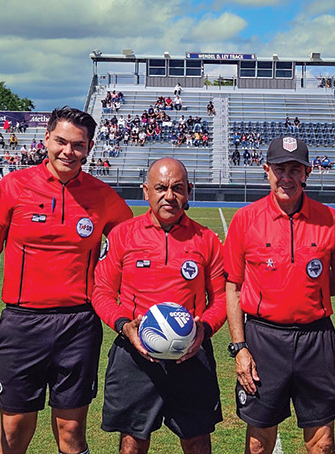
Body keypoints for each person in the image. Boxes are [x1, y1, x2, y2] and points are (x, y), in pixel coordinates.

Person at [0, 106, 133, 454]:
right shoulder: (14, 187)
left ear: (88, 149)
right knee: (13, 431)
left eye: (78, 145)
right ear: (46, 139)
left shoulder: (103, 197)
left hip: (78, 325)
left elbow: (129, 246)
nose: (67, 152)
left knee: (71, 431)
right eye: (61, 141)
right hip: (22, 323)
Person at [224, 136, 335, 454]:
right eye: (279, 168)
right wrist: (240, 348)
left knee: (323, 443)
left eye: (294, 169)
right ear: (266, 170)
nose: (287, 176)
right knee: (259, 444)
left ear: (307, 172)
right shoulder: (245, 219)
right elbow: (233, 287)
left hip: (316, 340)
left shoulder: (330, 220)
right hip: (263, 339)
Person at [93, 158, 227, 454]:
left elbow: (220, 300)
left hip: (192, 355)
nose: (170, 195)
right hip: (135, 354)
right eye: (161, 188)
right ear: (146, 192)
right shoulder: (122, 235)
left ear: (188, 191)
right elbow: (101, 292)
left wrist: (204, 329)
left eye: (178, 188)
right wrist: (123, 325)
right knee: (132, 442)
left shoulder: (207, 240)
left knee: (197, 442)